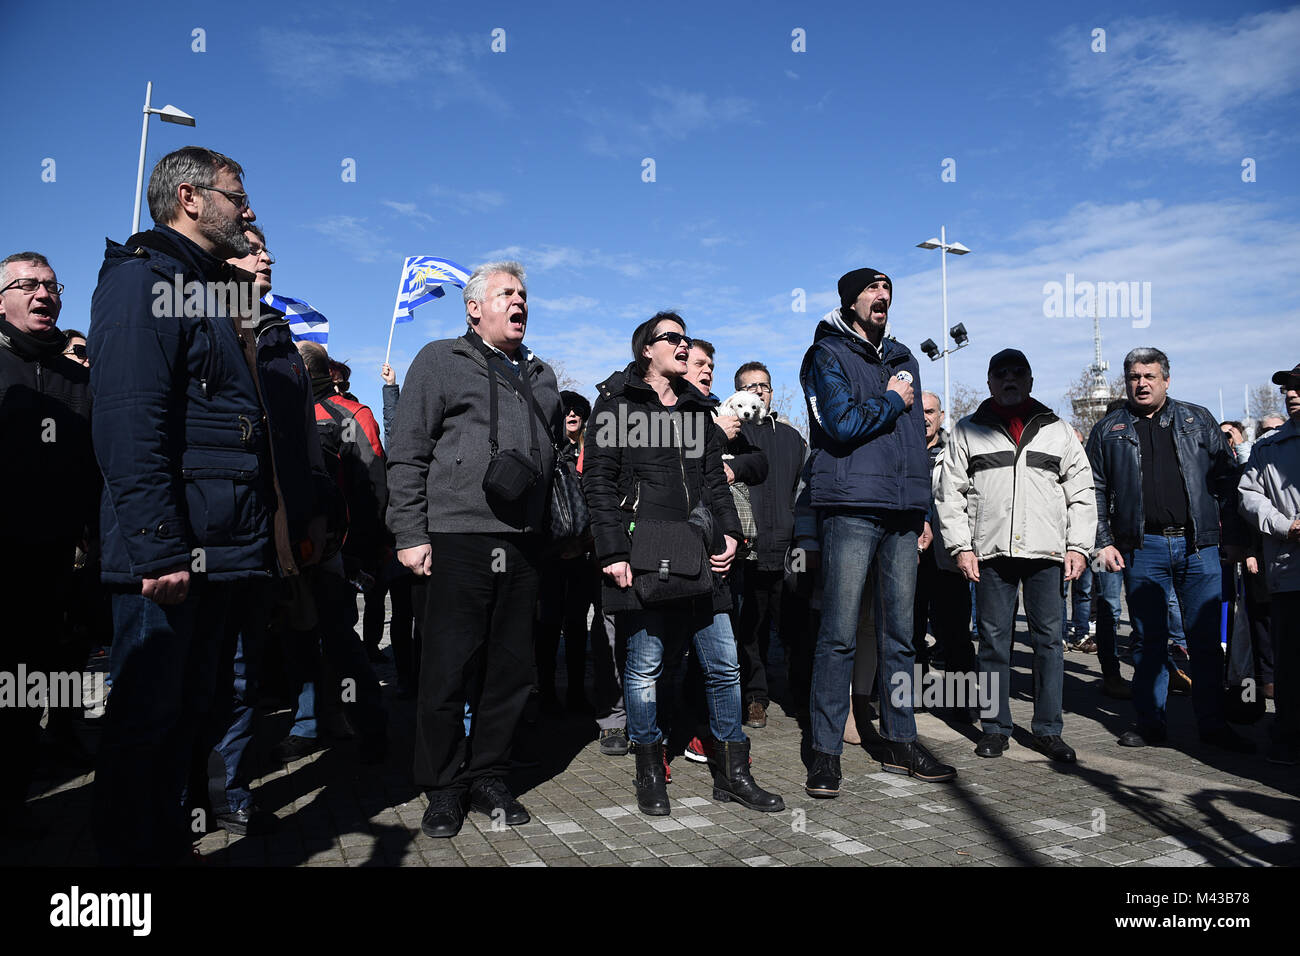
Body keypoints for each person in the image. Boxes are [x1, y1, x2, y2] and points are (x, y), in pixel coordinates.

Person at [88, 146, 273, 864]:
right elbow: (130, 422)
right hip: (169, 555)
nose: (248, 210)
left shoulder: (205, 290)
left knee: (185, 722)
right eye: (237, 194)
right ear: (190, 198)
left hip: (218, 548)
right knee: (145, 726)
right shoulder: (144, 281)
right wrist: (159, 546)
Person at [582, 312, 784, 816]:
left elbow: (715, 483)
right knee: (645, 666)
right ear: (646, 350)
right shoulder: (616, 406)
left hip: (702, 556)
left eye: (685, 338)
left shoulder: (698, 410)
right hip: (645, 554)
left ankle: (734, 773)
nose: (682, 344)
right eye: (672, 337)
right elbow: (598, 483)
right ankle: (650, 769)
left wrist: (732, 534)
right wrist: (612, 551)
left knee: (723, 665)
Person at [387, 261, 563, 838]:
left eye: (524, 294)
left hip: (523, 544)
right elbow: (407, 451)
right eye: (506, 293)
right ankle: (442, 786)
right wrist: (410, 533)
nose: (519, 302)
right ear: (474, 308)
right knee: (447, 668)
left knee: (510, 670)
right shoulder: (440, 359)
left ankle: (489, 772)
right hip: (456, 537)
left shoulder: (541, 375)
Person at [799, 267, 956, 797]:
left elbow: (916, 441)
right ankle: (824, 752)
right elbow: (839, 425)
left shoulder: (905, 357)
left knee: (900, 637)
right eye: (872, 289)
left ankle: (900, 739)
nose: (882, 296)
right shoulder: (827, 354)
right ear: (849, 301)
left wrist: (924, 512)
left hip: (902, 513)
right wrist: (892, 398)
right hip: (850, 507)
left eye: (888, 290)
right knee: (840, 634)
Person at [1086, 347, 1252, 752]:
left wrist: (1232, 537)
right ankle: (1150, 723)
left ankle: (1213, 724)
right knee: (1147, 639)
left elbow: (1229, 481)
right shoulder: (1108, 430)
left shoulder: (1198, 420)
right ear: (1126, 382)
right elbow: (1093, 489)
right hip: (1144, 548)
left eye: (1149, 376)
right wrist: (1103, 542)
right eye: (1134, 377)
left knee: (1206, 641)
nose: (1141, 383)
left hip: (1200, 547)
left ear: (1166, 380)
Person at [936, 349, 1095, 761]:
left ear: (1030, 380)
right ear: (989, 382)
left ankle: (1048, 730)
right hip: (990, 553)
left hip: (1046, 553)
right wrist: (960, 546)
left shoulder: (1058, 430)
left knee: (1049, 643)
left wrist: (1079, 545)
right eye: (1000, 373)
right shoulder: (968, 431)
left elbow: (1081, 493)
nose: (1009, 379)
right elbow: (948, 493)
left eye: (1017, 373)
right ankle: (994, 727)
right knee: (993, 643)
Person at [0, 252, 97, 837]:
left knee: (28, 688)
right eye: (27, 285)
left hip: (54, 566)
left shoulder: (81, 378)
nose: (43, 294)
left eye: (51, 286)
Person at [732, 360, 807, 729]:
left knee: (795, 629)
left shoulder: (793, 438)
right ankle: (755, 697)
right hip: (748, 550)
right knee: (751, 632)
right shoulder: (732, 435)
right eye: (750, 387)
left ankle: (801, 695)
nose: (759, 391)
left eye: (764, 385)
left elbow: (804, 492)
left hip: (789, 551)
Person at [1238, 363, 1300, 764]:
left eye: (1299, 387)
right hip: (1289, 570)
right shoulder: (1268, 447)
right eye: (1289, 389)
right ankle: (1291, 736)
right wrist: (1284, 526)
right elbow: (1248, 495)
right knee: (1291, 662)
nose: (1292, 394)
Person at [915, 390, 979, 720]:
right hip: (909, 555)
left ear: (942, 416)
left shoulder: (958, 450)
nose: (924, 417)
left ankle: (962, 702)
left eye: (930, 411)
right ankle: (914, 696)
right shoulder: (901, 449)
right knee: (909, 632)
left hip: (948, 555)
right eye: (918, 411)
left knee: (954, 632)